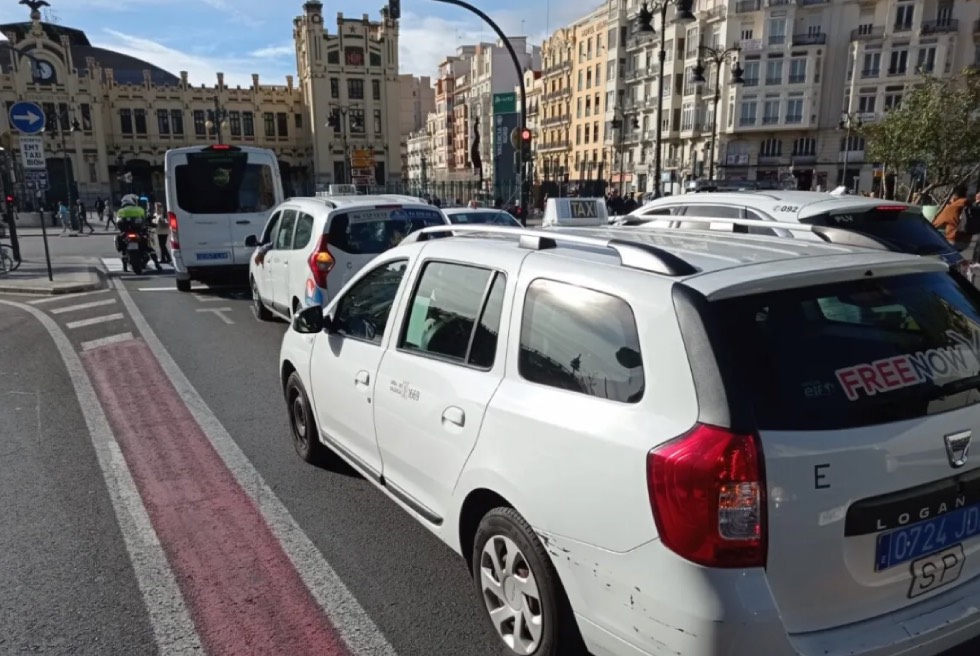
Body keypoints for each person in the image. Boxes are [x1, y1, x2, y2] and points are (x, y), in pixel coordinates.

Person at [116, 193, 162, 272]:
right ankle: (157, 264)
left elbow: (118, 222)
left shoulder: (120, 211)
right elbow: (145, 218)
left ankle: (124, 267)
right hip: (139, 232)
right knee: (149, 247)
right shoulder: (139, 209)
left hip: (126, 233)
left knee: (123, 249)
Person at [932, 185, 972, 252]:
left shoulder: (952, 207)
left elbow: (935, 224)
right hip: (966, 242)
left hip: (952, 241)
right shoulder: (970, 206)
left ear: (954, 196)